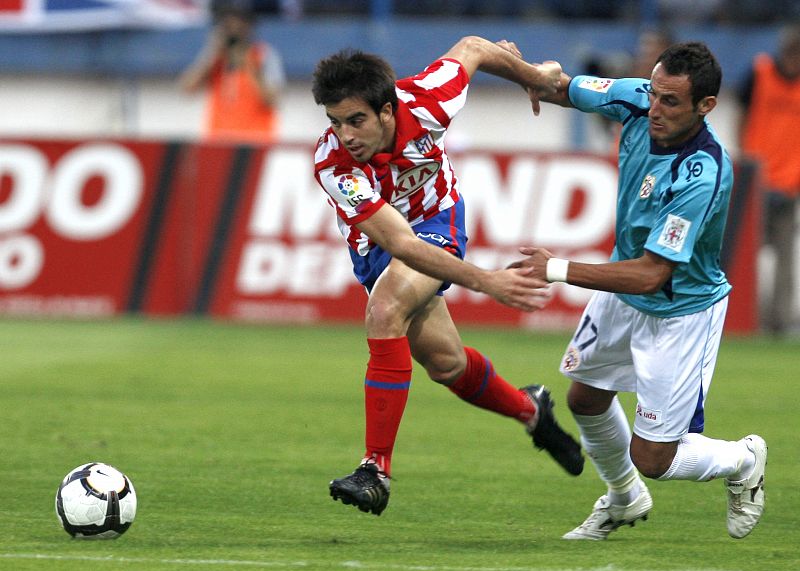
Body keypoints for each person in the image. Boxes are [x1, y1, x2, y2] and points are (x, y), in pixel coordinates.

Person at [311, 36, 585, 516]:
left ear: (387, 110)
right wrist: (486, 280)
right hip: (381, 244)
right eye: (335, 122)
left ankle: (375, 470)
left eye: (356, 120)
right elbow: (400, 245)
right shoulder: (333, 163)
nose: (345, 134)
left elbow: (473, 48)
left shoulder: (427, 99)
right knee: (446, 365)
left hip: (437, 219)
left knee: (385, 308)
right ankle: (531, 410)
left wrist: (534, 78)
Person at [517, 42, 767, 540]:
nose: (654, 108)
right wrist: (514, 66)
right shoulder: (636, 99)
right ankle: (624, 498)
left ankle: (743, 458)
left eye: (670, 101)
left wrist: (557, 269)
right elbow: (559, 86)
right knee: (585, 399)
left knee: (655, 458)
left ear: (705, 106)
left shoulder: (703, 172)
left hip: (679, 310)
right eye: (653, 93)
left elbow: (654, 274)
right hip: (623, 287)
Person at [739, 23, 800, 336]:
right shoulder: (759, 73)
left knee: (786, 259)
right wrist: (745, 160)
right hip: (757, 181)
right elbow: (742, 114)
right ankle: (743, 316)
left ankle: (780, 322)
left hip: (790, 184)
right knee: (746, 256)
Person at [179, 0, 285, 145]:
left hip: (255, 143)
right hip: (218, 143)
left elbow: (273, 100)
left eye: (239, 24)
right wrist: (213, 54)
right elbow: (187, 88)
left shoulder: (264, 55)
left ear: (249, 27)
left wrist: (249, 64)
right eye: (228, 25)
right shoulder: (216, 57)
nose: (234, 30)